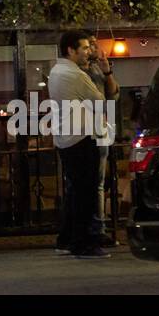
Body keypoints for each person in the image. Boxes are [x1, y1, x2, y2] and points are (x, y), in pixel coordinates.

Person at [49, 30, 110, 259]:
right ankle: (83, 243)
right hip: (82, 137)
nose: (88, 52)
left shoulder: (56, 71)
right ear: (70, 50)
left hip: (66, 139)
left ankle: (66, 239)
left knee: (75, 192)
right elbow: (101, 101)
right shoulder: (76, 75)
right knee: (86, 193)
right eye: (84, 48)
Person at [83, 45, 120, 246]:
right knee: (84, 183)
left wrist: (107, 72)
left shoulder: (97, 69)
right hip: (83, 130)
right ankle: (89, 228)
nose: (93, 49)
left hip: (100, 128)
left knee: (98, 182)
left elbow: (113, 95)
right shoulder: (76, 71)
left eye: (93, 45)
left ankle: (98, 228)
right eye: (88, 45)